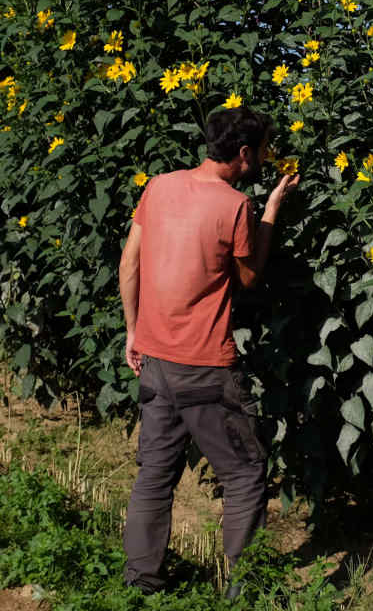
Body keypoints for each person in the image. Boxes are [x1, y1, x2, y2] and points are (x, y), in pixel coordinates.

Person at [118, 106, 300, 598]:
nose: (265, 156)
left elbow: (129, 260)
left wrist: (134, 330)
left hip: (154, 362)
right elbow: (247, 277)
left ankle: (142, 586)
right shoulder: (235, 206)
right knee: (243, 474)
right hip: (206, 371)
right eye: (262, 149)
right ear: (243, 154)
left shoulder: (158, 186)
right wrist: (271, 212)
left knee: (154, 476)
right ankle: (246, 592)